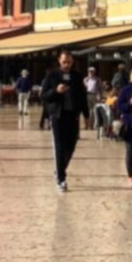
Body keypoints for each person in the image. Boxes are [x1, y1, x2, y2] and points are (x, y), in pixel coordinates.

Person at [41, 50, 90, 192]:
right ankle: (61, 179)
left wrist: (86, 115)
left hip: (72, 116)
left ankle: (59, 169)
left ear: (72, 61)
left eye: (69, 62)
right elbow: (44, 95)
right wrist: (56, 91)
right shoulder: (52, 75)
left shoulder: (76, 76)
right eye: (64, 62)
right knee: (60, 146)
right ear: (59, 61)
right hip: (58, 116)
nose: (67, 65)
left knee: (71, 145)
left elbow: (82, 97)